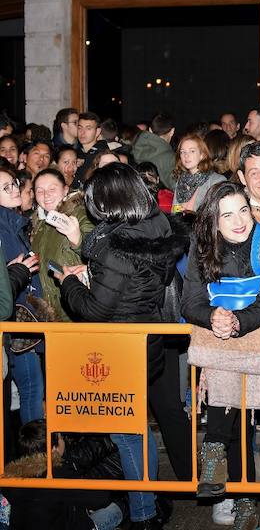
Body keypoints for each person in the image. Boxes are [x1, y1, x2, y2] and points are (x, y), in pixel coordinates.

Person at [55, 163, 189, 530]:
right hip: (145, 340)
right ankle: (146, 500)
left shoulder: (118, 247)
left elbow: (95, 309)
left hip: (118, 348)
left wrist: (69, 283)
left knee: (126, 434)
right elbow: (136, 282)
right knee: (137, 427)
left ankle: (144, 513)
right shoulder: (156, 228)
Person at [180, 181, 260, 529]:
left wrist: (238, 322)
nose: (239, 220)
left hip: (255, 338)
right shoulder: (202, 247)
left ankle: (214, 451)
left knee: (241, 423)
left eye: (243, 210)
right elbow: (190, 301)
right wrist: (211, 317)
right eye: (227, 214)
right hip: (220, 343)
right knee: (239, 424)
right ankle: (243, 501)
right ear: (213, 220)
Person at [0, 167, 44, 426]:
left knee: (29, 390)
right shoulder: (5, 226)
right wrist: (15, 271)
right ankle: (36, 456)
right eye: (6, 187)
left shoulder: (14, 222)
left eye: (14, 183)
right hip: (15, 319)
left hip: (23, 315)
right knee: (31, 389)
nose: (15, 188)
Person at [30, 169, 94, 322]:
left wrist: (77, 239)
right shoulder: (38, 225)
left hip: (76, 307)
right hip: (49, 313)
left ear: (65, 189)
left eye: (52, 189)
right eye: (40, 191)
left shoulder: (81, 214)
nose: (46, 195)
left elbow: (101, 253)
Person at [172, 134, 226, 212]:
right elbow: (174, 210)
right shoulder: (181, 181)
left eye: (192, 151)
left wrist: (190, 214)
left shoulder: (216, 181)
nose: (186, 155)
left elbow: (216, 214)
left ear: (202, 155)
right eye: (182, 152)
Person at [132, 113, 177, 191]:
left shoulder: (135, 148)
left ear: (150, 130)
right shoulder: (170, 158)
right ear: (172, 131)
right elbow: (176, 188)